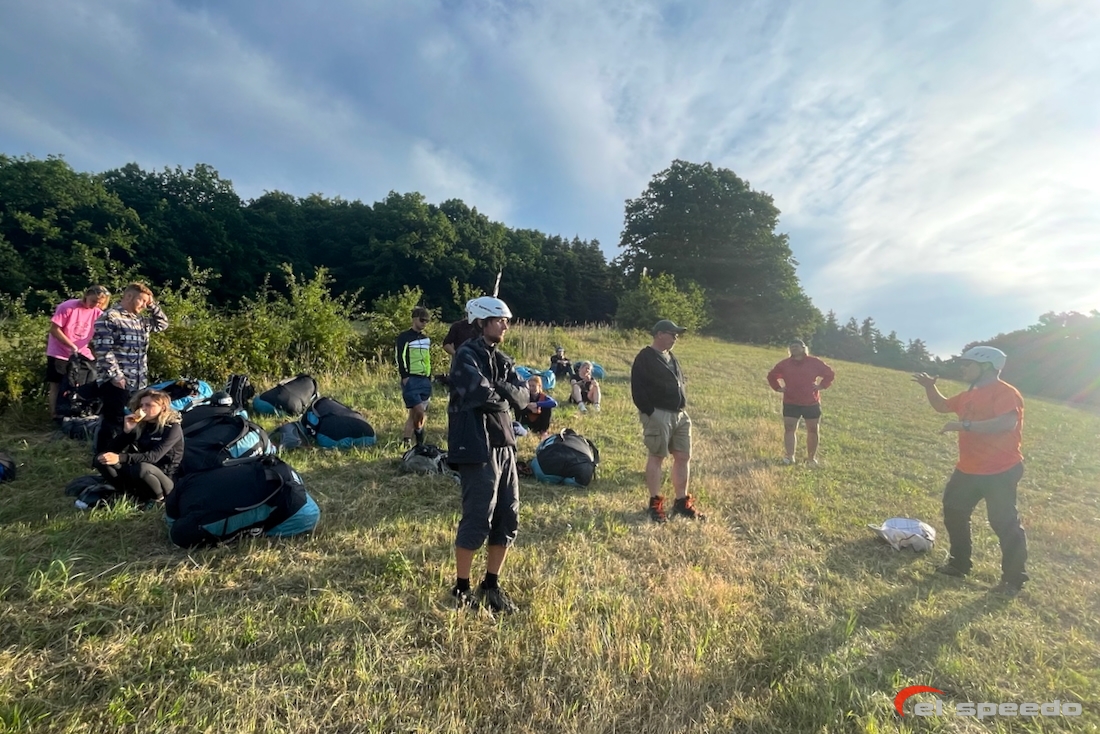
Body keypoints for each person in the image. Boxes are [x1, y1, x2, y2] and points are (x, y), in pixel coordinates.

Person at [913, 345, 1029, 595]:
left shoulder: (1005, 392)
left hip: (1000, 469)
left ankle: (1012, 580)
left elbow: (1007, 423)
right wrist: (930, 387)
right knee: (954, 512)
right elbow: (942, 406)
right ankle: (959, 564)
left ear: (986, 366)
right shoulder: (969, 394)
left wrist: (964, 425)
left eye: (968, 364)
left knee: (1003, 522)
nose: (962, 367)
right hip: (968, 468)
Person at [446, 296, 536, 613]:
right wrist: (506, 393)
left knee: (507, 515)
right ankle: (461, 588)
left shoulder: (503, 358)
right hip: (474, 444)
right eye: (499, 320)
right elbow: (483, 396)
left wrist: (507, 391)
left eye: (506, 320)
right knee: (477, 517)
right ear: (481, 322)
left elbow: (524, 397)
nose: (505, 325)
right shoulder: (465, 357)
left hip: (504, 444)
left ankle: (492, 584)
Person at [630, 319, 705, 523]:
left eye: (677, 334)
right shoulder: (645, 357)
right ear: (659, 334)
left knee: (683, 456)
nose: (675, 338)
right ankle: (655, 504)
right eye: (672, 334)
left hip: (680, 414)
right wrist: (651, 412)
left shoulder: (671, 356)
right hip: (658, 414)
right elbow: (637, 390)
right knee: (657, 456)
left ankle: (681, 502)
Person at [91, 283, 169, 454]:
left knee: (134, 419)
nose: (143, 305)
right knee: (113, 421)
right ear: (128, 297)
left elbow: (163, 324)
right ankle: (103, 457)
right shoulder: (110, 317)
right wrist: (116, 376)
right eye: (141, 300)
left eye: (146, 303)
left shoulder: (140, 320)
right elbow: (103, 350)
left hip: (139, 380)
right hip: (116, 381)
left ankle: (123, 455)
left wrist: (152, 305)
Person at [88, 389, 183, 507]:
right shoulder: (142, 425)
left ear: (162, 408)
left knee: (142, 468)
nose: (143, 409)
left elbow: (153, 457)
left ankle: (158, 500)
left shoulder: (172, 428)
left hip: (164, 478)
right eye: (141, 405)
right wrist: (127, 432)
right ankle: (128, 494)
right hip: (137, 473)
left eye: (148, 405)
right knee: (102, 459)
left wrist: (121, 458)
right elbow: (110, 450)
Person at [45, 285, 111, 419]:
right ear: (86, 296)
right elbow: (54, 329)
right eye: (93, 301)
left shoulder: (97, 312)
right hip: (59, 352)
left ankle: (75, 410)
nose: (96, 305)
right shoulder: (68, 307)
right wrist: (71, 345)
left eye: (100, 303)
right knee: (56, 384)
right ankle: (54, 414)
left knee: (83, 381)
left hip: (82, 352)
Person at [766, 339, 836, 465]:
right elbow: (771, 376)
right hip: (791, 401)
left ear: (804, 348)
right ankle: (789, 456)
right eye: (791, 346)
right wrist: (778, 388)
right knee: (789, 429)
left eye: (796, 346)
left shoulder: (814, 362)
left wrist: (822, 386)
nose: (793, 348)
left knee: (813, 429)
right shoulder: (785, 364)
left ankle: (811, 458)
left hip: (811, 402)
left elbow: (829, 374)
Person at [395, 306, 433, 447]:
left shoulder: (426, 339)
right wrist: (405, 376)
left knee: (414, 414)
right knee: (419, 410)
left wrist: (429, 376)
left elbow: (427, 358)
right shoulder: (404, 337)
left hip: (425, 379)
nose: (424, 324)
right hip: (411, 379)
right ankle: (420, 439)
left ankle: (407, 441)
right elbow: (400, 356)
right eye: (422, 320)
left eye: (427, 321)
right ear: (414, 319)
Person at [518, 374, 558, 439]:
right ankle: (522, 426)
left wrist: (537, 404)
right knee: (520, 405)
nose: (531, 388)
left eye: (533, 386)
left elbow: (554, 403)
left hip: (539, 422)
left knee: (547, 408)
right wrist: (528, 407)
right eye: (529, 386)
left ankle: (543, 431)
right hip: (527, 420)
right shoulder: (526, 395)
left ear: (539, 386)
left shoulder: (543, 397)